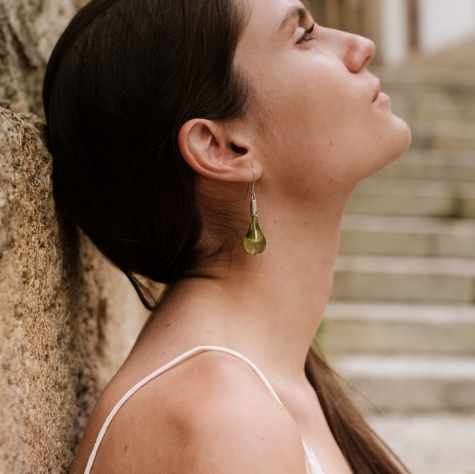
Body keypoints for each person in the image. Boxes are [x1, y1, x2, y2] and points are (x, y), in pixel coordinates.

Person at [43, 0, 412, 472]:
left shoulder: (266, 380)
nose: (362, 47)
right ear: (223, 147)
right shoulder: (224, 418)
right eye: (303, 35)